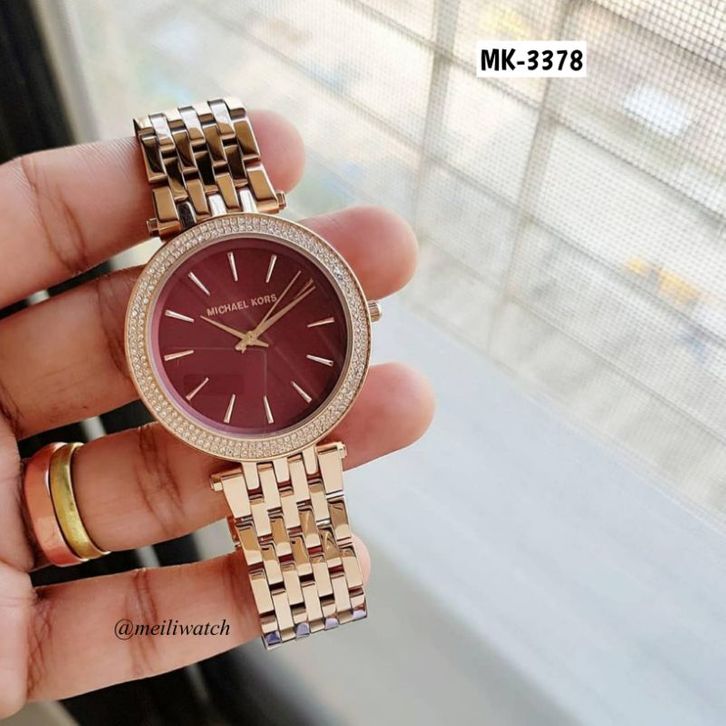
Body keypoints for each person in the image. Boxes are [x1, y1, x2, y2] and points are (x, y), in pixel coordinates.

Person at [0, 109, 434, 717]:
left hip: (287, 421)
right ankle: (308, 592)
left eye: (253, 335)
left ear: (357, 310)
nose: (250, 340)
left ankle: (310, 591)